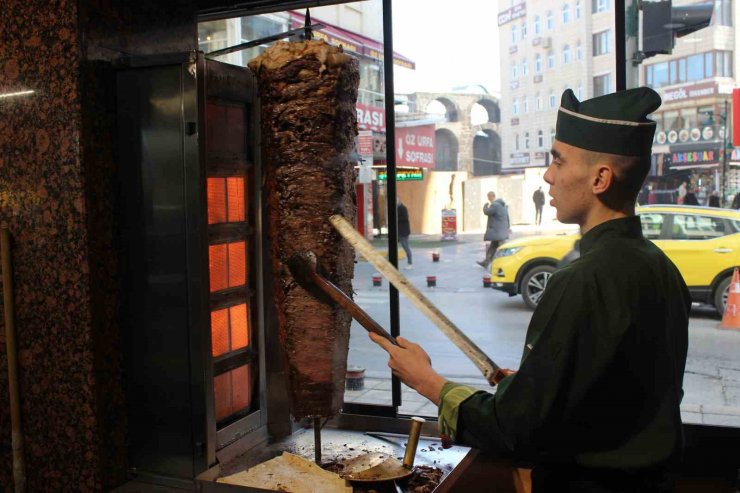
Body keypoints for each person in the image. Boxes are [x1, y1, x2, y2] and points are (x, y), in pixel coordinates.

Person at [370, 88, 690, 493]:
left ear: (600, 178)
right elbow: (619, 394)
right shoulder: (661, 268)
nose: (548, 175)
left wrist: (426, 381)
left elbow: (515, 429)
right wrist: (536, 383)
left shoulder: (581, 280)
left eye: (558, 160)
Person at [476, 191, 510, 269]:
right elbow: (508, 218)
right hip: (501, 231)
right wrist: (508, 228)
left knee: (502, 248)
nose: (488, 198)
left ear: (492, 196)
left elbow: (487, 212)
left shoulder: (495, 205)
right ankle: (486, 262)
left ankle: (506, 263)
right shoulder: (503, 206)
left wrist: (485, 206)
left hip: (497, 231)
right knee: (492, 247)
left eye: (489, 196)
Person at [397, 200, 412, 269]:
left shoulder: (402, 208)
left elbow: (403, 219)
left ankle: (410, 263)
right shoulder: (401, 208)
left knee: (406, 247)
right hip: (402, 231)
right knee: (406, 246)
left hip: (403, 231)